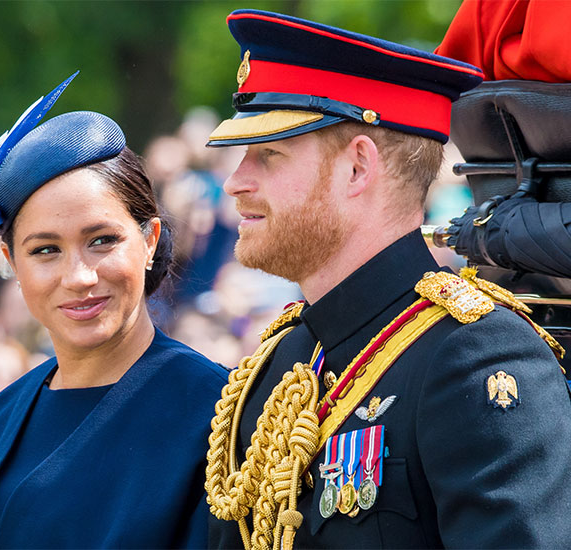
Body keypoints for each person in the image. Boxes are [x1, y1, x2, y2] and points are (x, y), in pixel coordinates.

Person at [203, 9, 571, 550]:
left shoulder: (476, 358)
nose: (236, 182)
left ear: (358, 167)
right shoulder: (277, 365)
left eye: (268, 154)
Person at [0, 73, 228, 549]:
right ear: (11, 263)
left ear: (150, 240)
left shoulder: (217, 413)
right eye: (45, 251)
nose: (78, 276)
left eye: (102, 241)